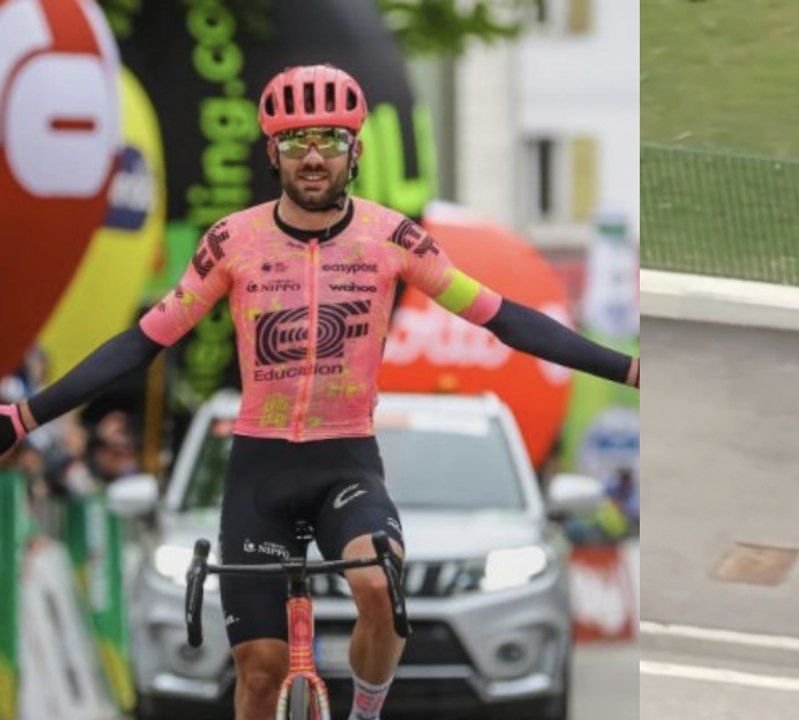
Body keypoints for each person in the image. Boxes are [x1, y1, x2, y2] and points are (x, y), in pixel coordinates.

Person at [0, 64, 640, 720]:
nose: (313, 157)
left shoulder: (392, 239)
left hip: (345, 464)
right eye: (296, 140)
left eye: (330, 141)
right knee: (258, 670)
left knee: (379, 587)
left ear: (355, 151)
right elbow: (142, 343)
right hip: (259, 471)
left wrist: (626, 369)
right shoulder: (232, 242)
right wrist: (23, 415)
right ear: (271, 151)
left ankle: (364, 710)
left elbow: (503, 317)